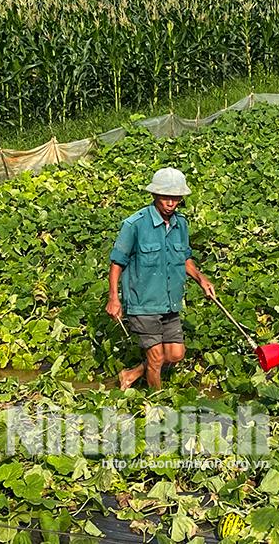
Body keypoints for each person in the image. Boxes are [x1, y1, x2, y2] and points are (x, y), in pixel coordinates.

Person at [106, 167, 216, 390]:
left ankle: (130, 374)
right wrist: (113, 298)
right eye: (166, 197)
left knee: (175, 354)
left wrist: (200, 279)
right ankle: (158, 405)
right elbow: (117, 263)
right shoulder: (135, 225)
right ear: (155, 195)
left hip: (169, 301)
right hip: (142, 301)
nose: (170, 203)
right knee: (156, 358)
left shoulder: (181, 224)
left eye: (175, 198)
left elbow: (185, 258)